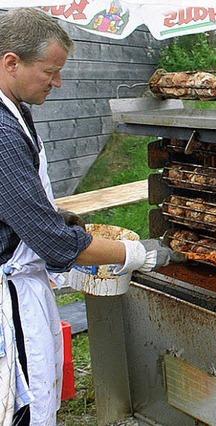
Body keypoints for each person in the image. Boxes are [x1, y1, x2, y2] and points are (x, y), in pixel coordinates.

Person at [0, 8, 183, 426]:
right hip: (9, 298)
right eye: (51, 71)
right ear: (12, 63)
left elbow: (17, 198)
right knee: (20, 409)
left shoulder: (16, 109)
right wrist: (138, 254)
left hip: (21, 284)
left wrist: (49, 212)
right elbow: (57, 245)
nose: (58, 82)